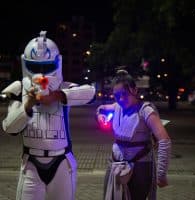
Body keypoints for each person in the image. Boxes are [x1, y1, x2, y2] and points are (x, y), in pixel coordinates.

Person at [1, 31, 95, 200]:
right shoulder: (19, 89)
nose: (41, 74)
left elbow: (91, 93)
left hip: (62, 162)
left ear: (57, 63)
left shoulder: (64, 88)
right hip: (31, 163)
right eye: (36, 67)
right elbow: (9, 127)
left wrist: (57, 96)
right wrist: (27, 105)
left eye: (47, 66)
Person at [96, 70, 171, 200]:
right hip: (115, 164)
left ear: (135, 90)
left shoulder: (146, 110)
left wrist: (161, 174)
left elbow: (164, 141)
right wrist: (100, 116)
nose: (120, 99)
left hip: (139, 167)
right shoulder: (117, 106)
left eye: (124, 94)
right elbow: (101, 108)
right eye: (116, 95)